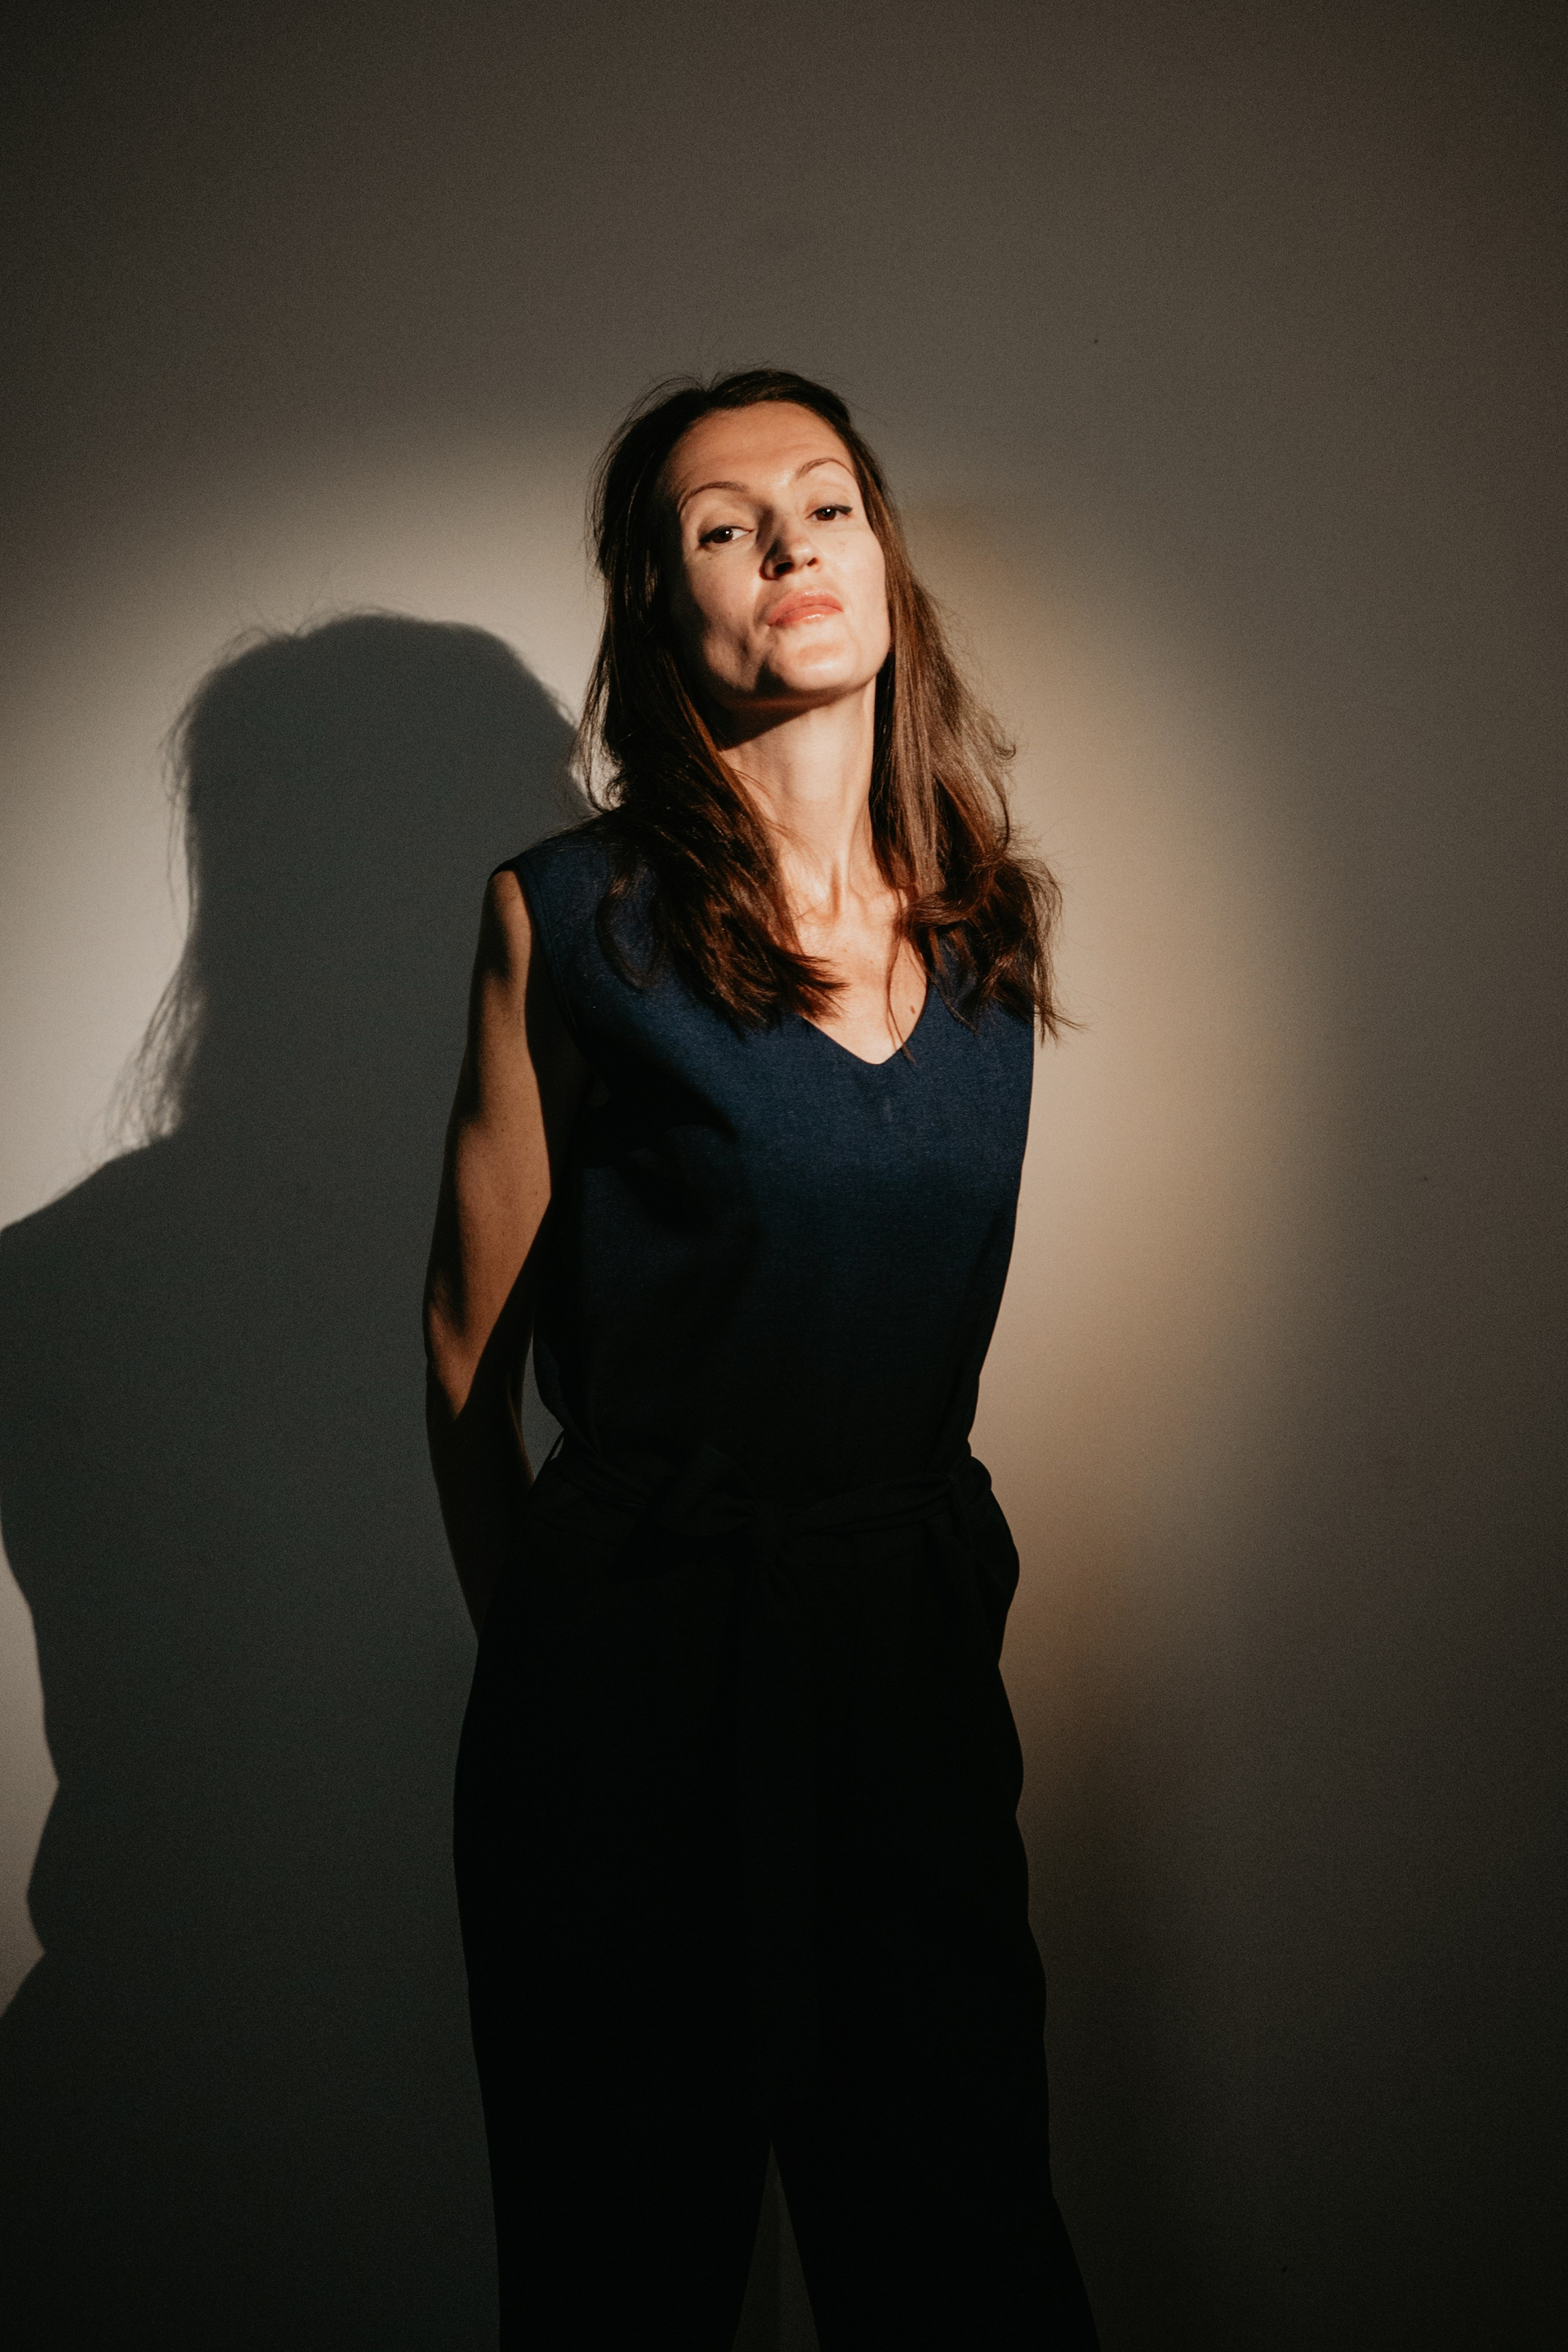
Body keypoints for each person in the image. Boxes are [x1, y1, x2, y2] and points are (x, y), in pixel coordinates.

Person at [423, 369, 1098, 2350]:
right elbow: (464, 1350)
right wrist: (571, 1677)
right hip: (635, 1690)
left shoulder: (987, 936)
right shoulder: (568, 918)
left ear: (885, 565)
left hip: (906, 1688)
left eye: (824, 503)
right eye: (723, 527)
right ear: (664, 607)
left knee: (966, 2264)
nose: (788, 541)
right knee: (622, 2284)